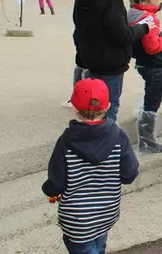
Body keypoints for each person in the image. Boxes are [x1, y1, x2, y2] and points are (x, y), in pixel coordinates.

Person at [42, 78, 139, 254]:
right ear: (108, 106)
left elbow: (56, 183)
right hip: (107, 212)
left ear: (74, 109)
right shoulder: (118, 136)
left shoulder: (66, 141)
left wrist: (49, 190)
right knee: (99, 243)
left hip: (77, 218)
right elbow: (129, 174)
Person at [71, 0, 152, 121]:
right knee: (109, 105)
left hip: (90, 60)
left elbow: (79, 28)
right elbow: (122, 36)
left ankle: (92, 137)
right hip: (110, 64)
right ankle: (106, 142)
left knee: (91, 106)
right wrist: (143, 28)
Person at [128, 0, 162, 154]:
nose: (161, 1)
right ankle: (146, 141)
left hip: (144, 64)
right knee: (152, 103)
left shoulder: (134, 13)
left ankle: (143, 110)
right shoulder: (150, 19)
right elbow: (152, 46)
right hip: (153, 65)